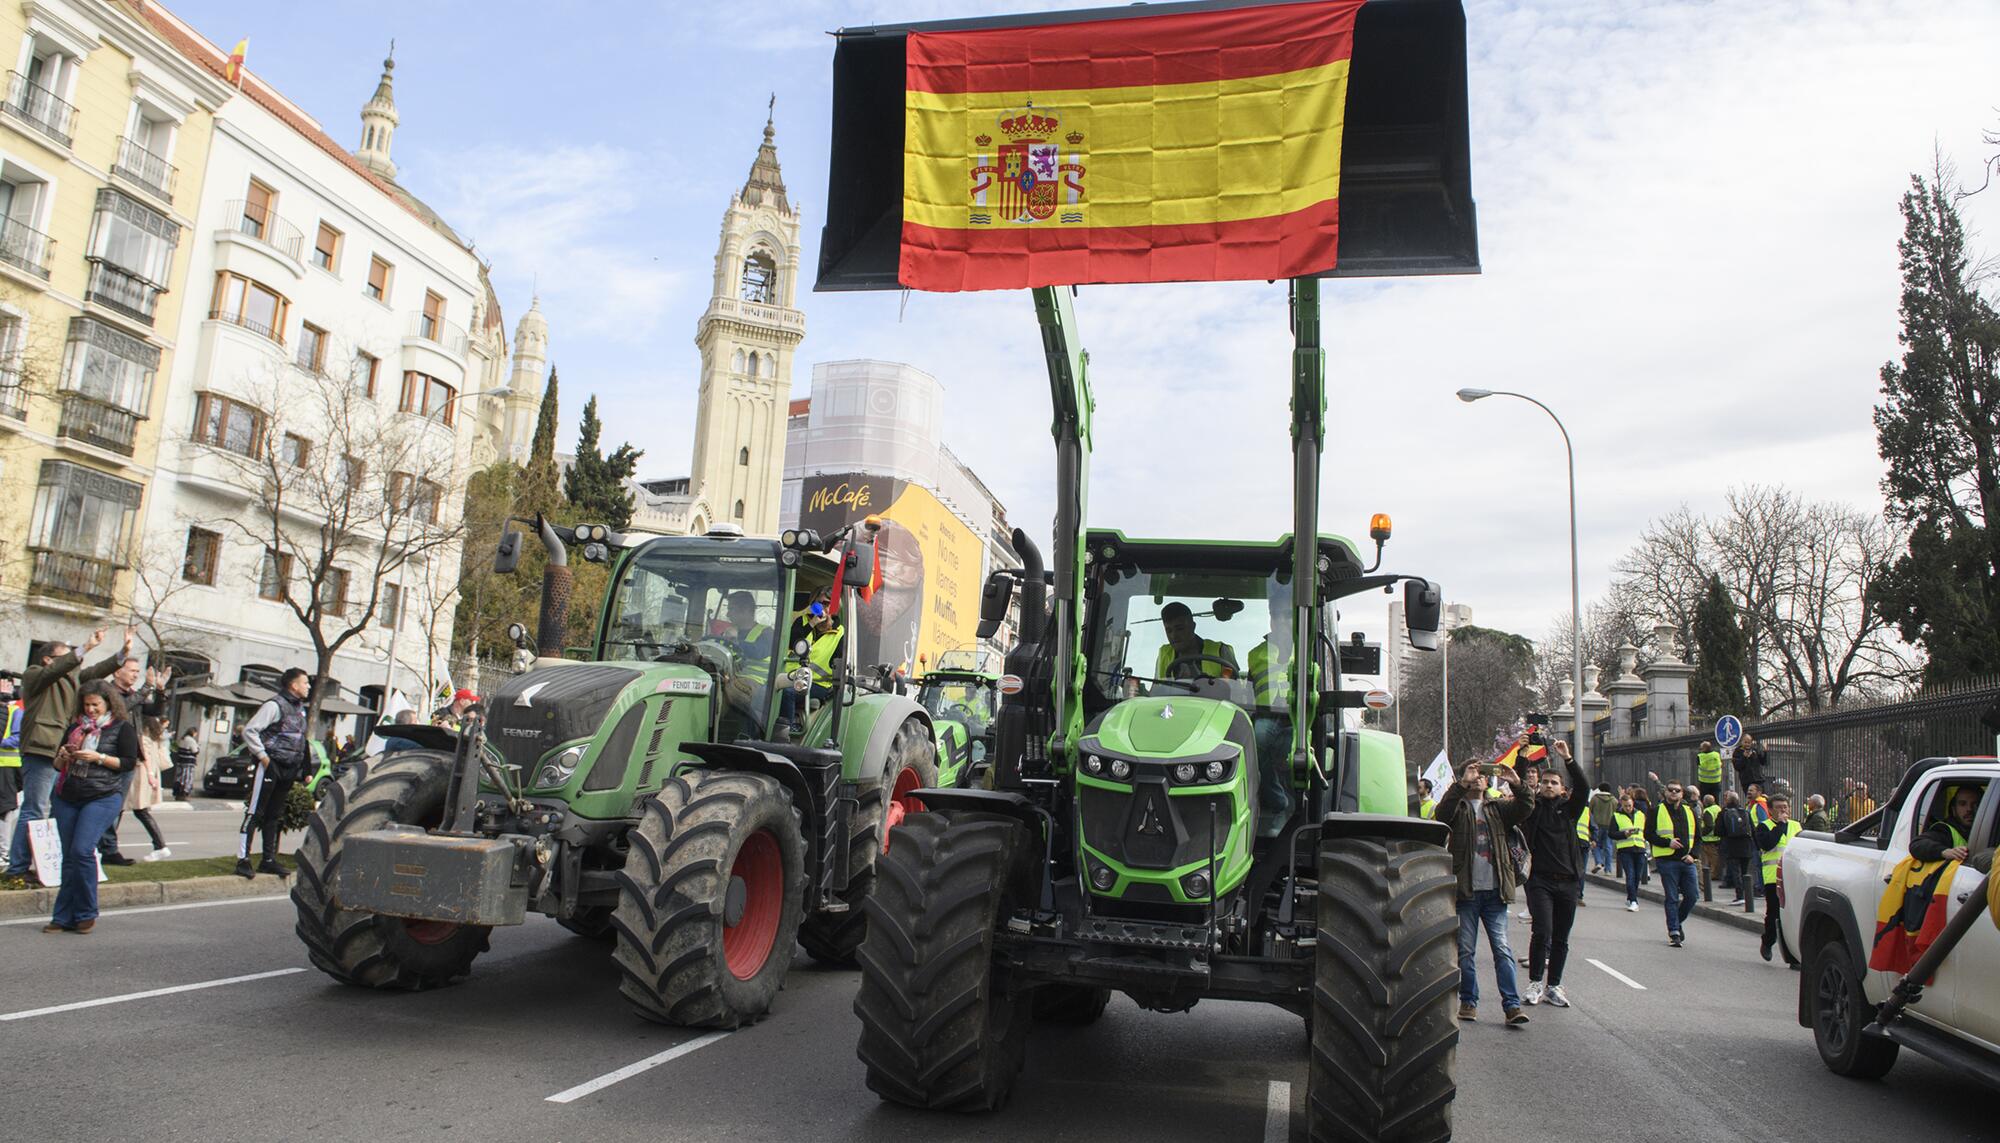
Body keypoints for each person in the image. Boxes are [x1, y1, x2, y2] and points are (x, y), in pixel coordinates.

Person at [2, 627, 120, 889]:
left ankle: (35, 865)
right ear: (48, 659)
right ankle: (17, 868)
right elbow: (57, 671)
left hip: (62, 751)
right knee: (34, 808)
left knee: (50, 810)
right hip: (42, 748)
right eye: (66, 656)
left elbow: (92, 674)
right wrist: (84, 648)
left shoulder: (69, 679)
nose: (74, 661)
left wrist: (120, 656)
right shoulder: (35, 675)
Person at [1435, 758, 1535, 1027]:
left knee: (1502, 950)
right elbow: (1441, 815)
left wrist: (1516, 782)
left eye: (1482, 774)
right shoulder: (1457, 807)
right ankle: (1469, 1001)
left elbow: (1525, 807)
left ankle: (1512, 1006)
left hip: (1494, 893)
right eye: (1473, 773)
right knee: (1466, 951)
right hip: (1466, 892)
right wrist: (1461, 783)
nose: (1479, 777)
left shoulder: (1498, 808)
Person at [44, 683, 139, 934]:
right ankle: (63, 917)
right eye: (87, 704)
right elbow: (56, 765)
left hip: (102, 796)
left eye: (96, 704)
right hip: (68, 796)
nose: (91, 709)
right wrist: (64, 755)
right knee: (69, 858)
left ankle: (86, 912)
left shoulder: (122, 728)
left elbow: (129, 763)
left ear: (108, 703)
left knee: (82, 850)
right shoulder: (75, 727)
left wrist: (98, 758)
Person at [1520, 740, 1588, 1008]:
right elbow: (1519, 787)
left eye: (1554, 783)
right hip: (1540, 882)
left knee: (1561, 937)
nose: (1548, 785)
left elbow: (1584, 787)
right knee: (1542, 931)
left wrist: (1568, 759)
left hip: (1568, 882)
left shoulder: (1569, 810)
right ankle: (1535, 983)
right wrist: (1523, 757)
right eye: (1545, 782)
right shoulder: (1532, 808)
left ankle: (1554, 986)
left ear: (1562, 789)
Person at [235, 668, 312, 879]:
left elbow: (301, 739)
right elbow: (250, 730)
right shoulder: (274, 705)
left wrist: (306, 769)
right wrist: (263, 757)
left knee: (274, 815)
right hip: (271, 765)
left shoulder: (299, 709)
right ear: (293, 685)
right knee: (255, 812)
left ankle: (268, 860)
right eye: (305, 683)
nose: (308, 687)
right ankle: (243, 860)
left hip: (289, 768)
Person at [97, 656, 169, 865]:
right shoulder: (107, 691)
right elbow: (121, 709)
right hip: (110, 753)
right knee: (109, 803)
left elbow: (154, 711)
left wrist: (160, 690)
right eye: (132, 670)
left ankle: (108, 849)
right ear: (117, 672)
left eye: (138, 671)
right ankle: (103, 847)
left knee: (117, 805)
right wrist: (146, 687)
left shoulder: (135, 695)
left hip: (130, 756)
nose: (136, 675)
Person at [1645, 780, 1700, 947]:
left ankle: (1676, 921)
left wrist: (1693, 855)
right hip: (1667, 860)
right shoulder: (1656, 811)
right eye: (1671, 790)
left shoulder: (1689, 811)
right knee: (1672, 897)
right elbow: (1648, 834)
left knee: (1692, 896)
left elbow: (1698, 837)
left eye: (1677, 790)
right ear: (1666, 793)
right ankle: (1674, 931)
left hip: (1686, 860)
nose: (1674, 793)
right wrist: (1666, 842)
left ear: (1682, 794)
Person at [1754, 794, 1803, 962]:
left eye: (1785, 807)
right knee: (1774, 914)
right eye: (1779, 807)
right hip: (1773, 878)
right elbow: (1768, 844)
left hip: (1793, 877)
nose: (1783, 810)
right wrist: (1780, 825)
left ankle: (1793, 954)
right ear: (1770, 810)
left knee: (1793, 915)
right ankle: (1768, 942)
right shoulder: (1764, 827)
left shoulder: (1796, 826)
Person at [781, 603, 843, 730]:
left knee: (787, 693)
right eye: (818, 604)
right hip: (790, 677)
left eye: (826, 605)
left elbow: (838, 662)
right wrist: (811, 624)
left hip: (818, 683)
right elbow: (791, 643)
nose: (821, 609)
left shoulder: (840, 633)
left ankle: (787, 730)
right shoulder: (803, 621)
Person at [1154, 601, 1238, 680]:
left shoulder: (1220, 651)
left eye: (1180, 629)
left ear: (1193, 627)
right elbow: (1156, 690)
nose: (1174, 635)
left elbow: (1232, 688)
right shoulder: (1163, 654)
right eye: (1169, 631)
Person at [127, 716, 172, 861]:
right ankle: (160, 846)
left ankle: (160, 846)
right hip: (149, 775)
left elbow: (142, 757)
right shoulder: (155, 738)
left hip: (141, 775)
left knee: (138, 810)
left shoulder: (143, 738)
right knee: (140, 811)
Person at [1910, 784, 1980, 864]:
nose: (1969, 809)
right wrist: (1945, 851)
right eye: (1962, 804)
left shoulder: (1993, 829)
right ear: (1953, 809)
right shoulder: (1945, 830)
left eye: (1975, 804)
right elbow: (1917, 844)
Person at [1715, 791, 1755, 908]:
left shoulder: (1724, 813)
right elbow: (1752, 829)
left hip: (1731, 846)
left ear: (1727, 801)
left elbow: (1718, 831)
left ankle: (1740, 896)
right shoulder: (1745, 812)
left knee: (1735, 872)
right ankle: (1748, 897)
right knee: (1745, 872)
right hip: (1746, 846)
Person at [1610, 794, 1647, 909]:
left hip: (1640, 848)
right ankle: (1633, 900)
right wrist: (1624, 834)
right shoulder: (1616, 816)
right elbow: (1611, 834)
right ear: (1621, 804)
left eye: (1630, 806)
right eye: (1625, 806)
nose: (1628, 808)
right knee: (1630, 875)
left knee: (1637, 876)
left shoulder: (1640, 815)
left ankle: (1631, 897)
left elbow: (1645, 831)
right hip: (1625, 850)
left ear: (1633, 804)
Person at [0, 676, 21, 866]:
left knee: (6, 811)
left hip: (8, 768)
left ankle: (4, 854)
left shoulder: (14, 711)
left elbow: (18, 738)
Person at [1588, 782, 1618, 874]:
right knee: (1608, 847)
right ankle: (1608, 869)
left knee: (1596, 845)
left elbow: (1590, 812)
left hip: (1597, 826)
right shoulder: (1614, 800)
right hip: (1609, 826)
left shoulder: (1594, 799)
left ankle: (1599, 862)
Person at [172, 727, 201, 800]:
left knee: (179, 777)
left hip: (181, 761)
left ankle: (177, 793)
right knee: (187, 778)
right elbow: (195, 751)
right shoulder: (191, 740)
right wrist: (198, 748)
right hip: (188, 762)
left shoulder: (182, 738)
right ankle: (184, 793)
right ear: (193, 733)